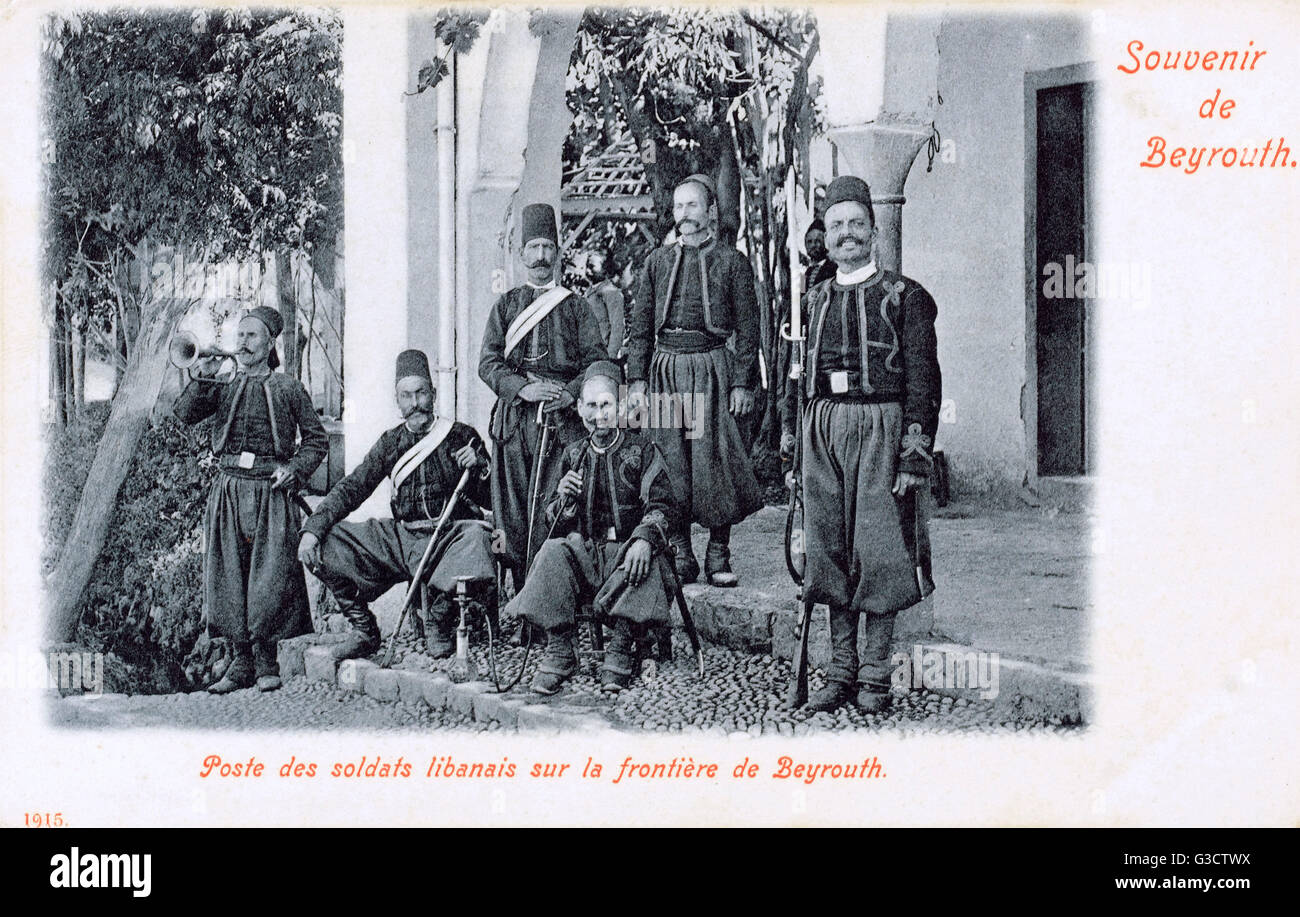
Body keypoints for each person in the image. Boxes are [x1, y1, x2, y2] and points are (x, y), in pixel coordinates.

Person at [781, 175, 941, 713]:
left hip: (882, 431)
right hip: (823, 431)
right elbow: (795, 377)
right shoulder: (814, 299)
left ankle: (875, 676)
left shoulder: (907, 297)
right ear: (824, 236)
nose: (846, 235)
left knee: (879, 552)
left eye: (856, 224)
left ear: (873, 231)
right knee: (829, 552)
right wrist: (793, 450)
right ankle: (839, 671)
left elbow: (924, 381)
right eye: (836, 226)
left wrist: (913, 455)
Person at [297, 350, 495, 660]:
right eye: (407, 395)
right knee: (327, 543)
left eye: (421, 393)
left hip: (449, 539)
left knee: (478, 536)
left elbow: (491, 500)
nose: (415, 403)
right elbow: (352, 488)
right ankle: (364, 629)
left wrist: (481, 467)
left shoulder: (461, 435)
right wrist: (313, 528)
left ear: (433, 393)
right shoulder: (390, 443)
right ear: (397, 400)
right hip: (403, 540)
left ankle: (438, 620)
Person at [174, 306, 328, 693]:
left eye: (251, 336)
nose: (242, 343)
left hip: (270, 492)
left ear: (270, 342)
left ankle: (265, 662)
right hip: (228, 488)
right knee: (228, 576)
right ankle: (239, 663)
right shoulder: (223, 384)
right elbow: (184, 415)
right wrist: (202, 376)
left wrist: (293, 470)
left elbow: (316, 441)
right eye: (239, 336)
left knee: (270, 577)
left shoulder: (288, 388)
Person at [503, 360, 679, 696]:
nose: (599, 415)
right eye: (592, 406)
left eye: (607, 405)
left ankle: (622, 645)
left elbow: (662, 505)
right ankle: (560, 648)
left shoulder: (642, 451)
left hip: (627, 556)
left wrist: (643, 539)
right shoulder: (573, 454)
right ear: (580, 408)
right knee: (551, 552)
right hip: (589, 555)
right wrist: (564, 504)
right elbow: (552, 519)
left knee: (647, 559)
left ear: (622, 406)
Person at [625, 173, 762, 587]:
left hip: (713, 370)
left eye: (693, 206)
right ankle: (680, 550)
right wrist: (636, 382)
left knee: (715, 459)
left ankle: (718, 551)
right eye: (679, 206)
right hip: (665, 371)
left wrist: (742, 382)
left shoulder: (733, 263)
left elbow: (749, 328)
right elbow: (639, 326)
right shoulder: (657, 262)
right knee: (672, 460)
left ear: (711, 211)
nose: (684, 214)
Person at [478, 202, 606, 587]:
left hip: (563, 424)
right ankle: (521, 594)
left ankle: (552, 592)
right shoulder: (506, 306)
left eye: (547, 247)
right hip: (515, 424)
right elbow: (487, 363)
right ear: (521, 255)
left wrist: (570, 394)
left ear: (558, 252)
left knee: (556, 506)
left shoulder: (576, 307)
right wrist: (524, 388)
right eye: (533, 248)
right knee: (515, 510)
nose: (540, 256)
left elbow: (597, 363)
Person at [583, 250, 626, 360]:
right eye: (587, 266)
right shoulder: (589, 292)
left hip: (603, 354)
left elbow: (617, 326)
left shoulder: (611, 292)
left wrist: (610, 356)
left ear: (604, 269)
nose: (588, 270)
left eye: (592, 266)